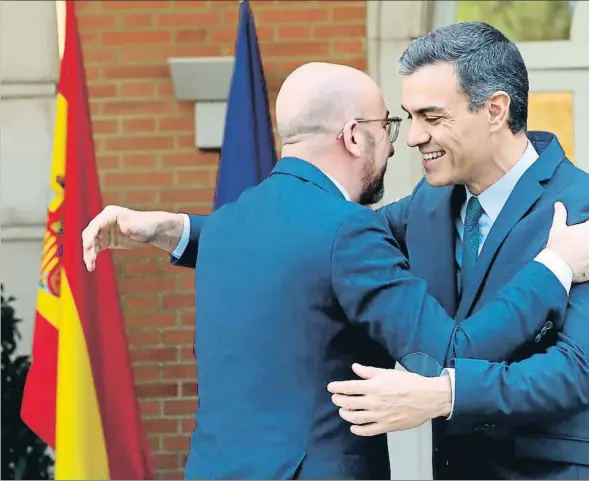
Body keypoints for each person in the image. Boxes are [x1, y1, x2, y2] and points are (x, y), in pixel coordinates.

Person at [82, 62, 589, 479]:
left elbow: (284, 243)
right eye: (390, 125)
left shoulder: (233, 223)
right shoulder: (348, 230)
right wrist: (556, 265)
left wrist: (173, 229)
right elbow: (453, 353)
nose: (402, 142)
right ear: (353, 136)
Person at [328, 22, 589, 480]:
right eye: (410, 118)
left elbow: (576, 370)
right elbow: (332, 240)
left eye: (432, 117)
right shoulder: (426, 204)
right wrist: (189, 232)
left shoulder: (582, 205)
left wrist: (445, 394)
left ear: (495, 110)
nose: (412, 137)